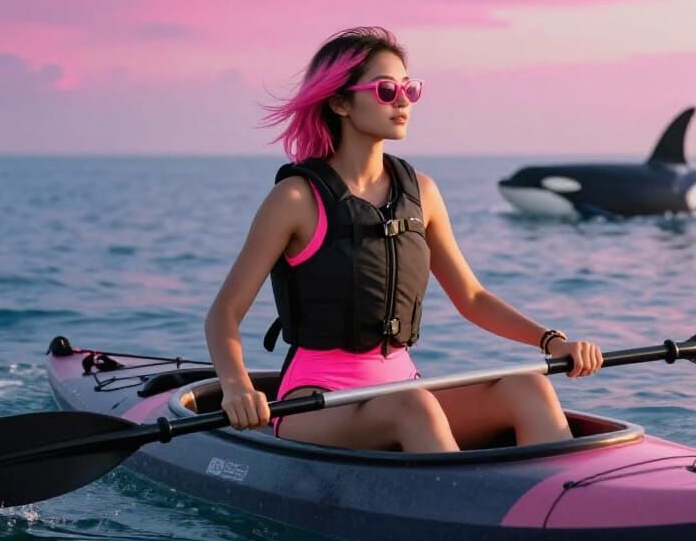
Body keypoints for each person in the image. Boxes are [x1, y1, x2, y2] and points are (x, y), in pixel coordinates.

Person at [205, 27, 602, 453]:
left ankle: (557, 505)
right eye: (386, 89)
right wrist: (235, 386)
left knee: (529, 388)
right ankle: (465, 513)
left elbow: (471, 296)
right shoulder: (296, 199)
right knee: (415, 408)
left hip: (404, 391)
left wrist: (551, 341)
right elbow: (224, 314)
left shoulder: (422, 193)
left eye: (409, 89)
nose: (402, 101)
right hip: (315, 404)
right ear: (339, 102)